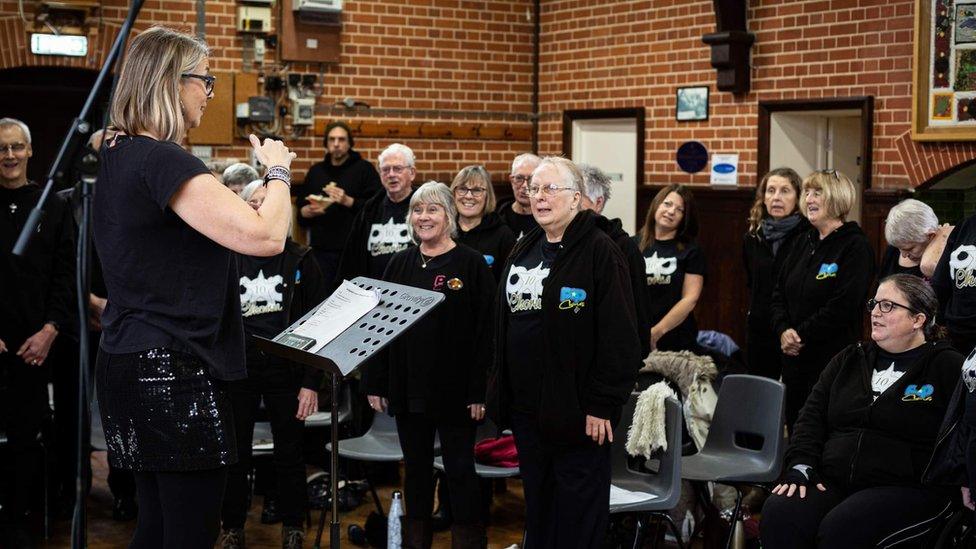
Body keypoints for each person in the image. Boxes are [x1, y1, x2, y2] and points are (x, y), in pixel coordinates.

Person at [92, 27, 295, 548]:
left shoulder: (120, 154)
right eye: (204, 79)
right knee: (187, 533)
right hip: (172, 369)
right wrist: (277, 170)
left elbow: (173, 242)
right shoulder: (163, 158)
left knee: (157, 527)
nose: (209, 90)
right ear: (169, 82)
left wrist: (240, 213)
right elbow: (269, 237)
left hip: (131, 360)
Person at [491, 157, 640, 549]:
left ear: (576, 199)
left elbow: (621, 338)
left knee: (577, 519)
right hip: (528, 410)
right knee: (540, 511)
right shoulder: (525, 247)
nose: (539, 197)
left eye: (550, 189)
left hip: (579, 413)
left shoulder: (600, 251)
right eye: (534, 189)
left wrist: (603, 403)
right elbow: (504, 324)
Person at [760, 274, 959, 548]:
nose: (875, 313)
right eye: (874, 304)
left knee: (841, 529)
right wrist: (801, 465)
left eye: (888, 306)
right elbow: (810, 418)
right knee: (781, 512)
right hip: (833, 478)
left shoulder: (947, 367)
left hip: (904, 486)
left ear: (918, 319)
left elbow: (962, 434)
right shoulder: (850, 359)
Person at [364, 182, 494, 548]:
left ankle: (468, 541)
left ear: (449, 216)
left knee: (459, 471)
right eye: (418, 210)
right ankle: (415, 542)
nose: (424, 217)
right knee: (416, 472)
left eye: (433, 210)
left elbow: (486, 333)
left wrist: (479, 390)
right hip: (409, 387)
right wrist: (376, 381)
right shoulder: (399, 263)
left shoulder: (471, 264)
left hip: (457, 390)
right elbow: (379, 326)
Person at [220, 180, 327, 549]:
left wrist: (312, 382)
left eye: (266, 202)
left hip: (289, 372)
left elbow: (320, 323)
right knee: (236, 455)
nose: (258, 208)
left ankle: (293, 525)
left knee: (290, 454)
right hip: (239, 369)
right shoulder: (228, 255)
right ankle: (232, 526)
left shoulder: (301, 258)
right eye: (252, 202)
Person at [54, 127, 138, 522]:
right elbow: (56, 267)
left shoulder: (135, 200)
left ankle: (127, 492)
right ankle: (76, 490)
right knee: (73, 412)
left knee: (124, 414)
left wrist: (116, 307)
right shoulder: (66, 203)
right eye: (99, 149)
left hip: (124, 322)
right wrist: (89, 301)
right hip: (77, 324)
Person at [0, 117, 76, 546]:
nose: (8, 156)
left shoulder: (53, 205)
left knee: (32, 434)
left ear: (30, 151)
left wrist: (50, 330)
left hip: (40, 343)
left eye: (16, 147)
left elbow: (64, 275)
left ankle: (26, 516)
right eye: (1, 149)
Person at [770, 170, 875, 430]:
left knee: (821, 429)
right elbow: (778, 294)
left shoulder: (855, 246)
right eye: (807, 192)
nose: (809, 199)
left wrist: (799, 335)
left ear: (837, 199)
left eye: (817, 193)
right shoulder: (802, 242)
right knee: (796, 425)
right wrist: (783, 330)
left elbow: (843, 305)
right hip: (794, 358)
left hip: (831, 359)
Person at [578, 163, 651, 359]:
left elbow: (638, 310)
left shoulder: (624, 247)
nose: (571, 202)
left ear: (598, 203)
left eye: (579, 196)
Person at [742, 167, 809, 380]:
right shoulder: (753, 236)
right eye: (771, 191)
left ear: (798, 197)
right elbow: (751, 281)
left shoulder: (808, 235)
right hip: (760, 326)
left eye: (785, 191)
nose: (776, 197)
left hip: (794, 330)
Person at [297, 121, 382, 283]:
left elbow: (376, 208)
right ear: (326, 143)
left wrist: (348, 201)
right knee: (322, 297)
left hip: (354, 250)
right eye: (332, 139)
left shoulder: (364, 169)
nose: (336, 144)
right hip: (320, 250)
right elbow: (300, 209)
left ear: (349, 143)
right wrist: (305, 212)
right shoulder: (316, 171)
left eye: (341, 139)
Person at [634, 184, 705, 352]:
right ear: (656, 205)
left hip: (677, 339)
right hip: (637, 335)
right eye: (667, 204)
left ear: (684, 218)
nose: (671, 211)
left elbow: (690, 299)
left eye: (679, 209)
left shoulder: (691, 251)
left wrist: (656, 332)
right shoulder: (632, 245)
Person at [334, 142, 416, 287]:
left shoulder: (423, 206)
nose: (391, 174)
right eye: (385, 169)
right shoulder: (370, 209)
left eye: (397, 169)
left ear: (412, 173)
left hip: (413, 291)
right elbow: (352, 257)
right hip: (374, 293)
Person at [450, 164, 516, 282]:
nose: (468, 196)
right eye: (462, 189)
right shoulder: (444, 230)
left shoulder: (503, 235)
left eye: (477, 190)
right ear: (454, 193)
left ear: (488, 195)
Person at [881, 198, 950, 279]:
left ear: (930, 236)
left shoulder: (949, 259)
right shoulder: (892, 251)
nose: (903, 255)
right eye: (899, 248)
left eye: (909, 249)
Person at [496, 153, 540, 239]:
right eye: (519, 178)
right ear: (511, 180)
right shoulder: (497, 216)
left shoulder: (548, 218)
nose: (524, 185)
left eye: (531, 179)